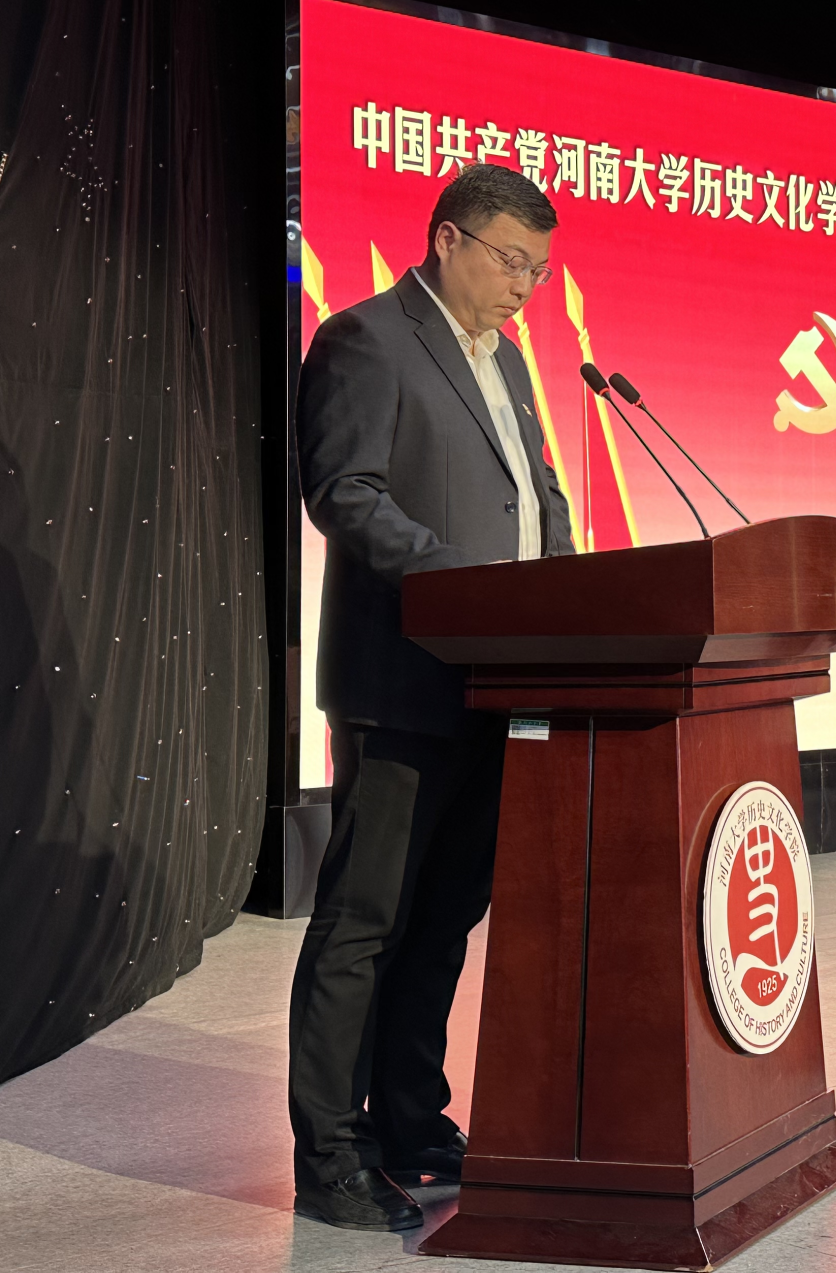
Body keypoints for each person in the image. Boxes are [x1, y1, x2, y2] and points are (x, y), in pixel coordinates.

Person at [290, 164, 576, 1231]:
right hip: (404, 683)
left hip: (499, 688)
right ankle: (330, 1156)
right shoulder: (367, 339)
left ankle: (412, 1119)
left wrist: (570, 594)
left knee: (447, 915)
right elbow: (345, 492)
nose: (525, 287)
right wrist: (471, 587)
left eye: (538, 271)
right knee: (365, 922)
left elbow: (537, 497)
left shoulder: (509, 361)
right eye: (511, 261)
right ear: (448, 239)